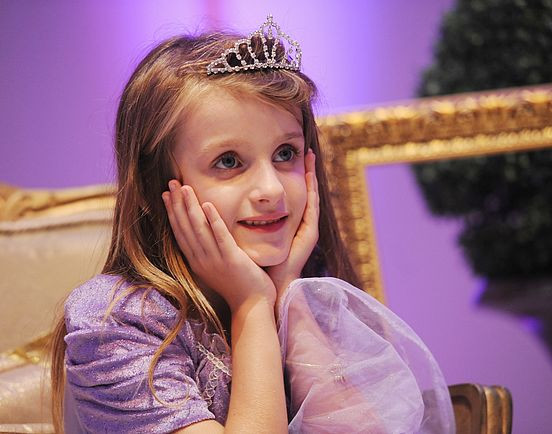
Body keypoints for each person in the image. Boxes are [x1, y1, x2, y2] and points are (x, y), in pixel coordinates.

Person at [50, 15, 455, 433]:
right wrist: (252, 305)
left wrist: (287, 295)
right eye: (228, 161)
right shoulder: (117, 320)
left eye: (286, 154)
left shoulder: (311, 291)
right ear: (153, 188)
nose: (271, 190)